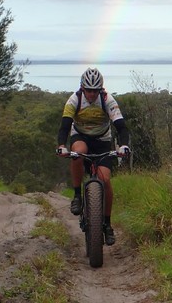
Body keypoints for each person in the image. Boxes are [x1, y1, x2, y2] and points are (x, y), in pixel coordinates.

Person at [56, 67, 130, 246]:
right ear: (82, 88)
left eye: (95, 91)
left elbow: (121, 127)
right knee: (78, 152)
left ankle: (107, 224)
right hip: (81, 136)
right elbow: (64, 127)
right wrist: (61, 146)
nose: (91, 94)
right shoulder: (74, 100)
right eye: (88, 90)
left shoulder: (107, 100)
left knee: (105, 179)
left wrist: (124, 145)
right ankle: (77, 195)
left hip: (102, 140)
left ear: (100, 89)